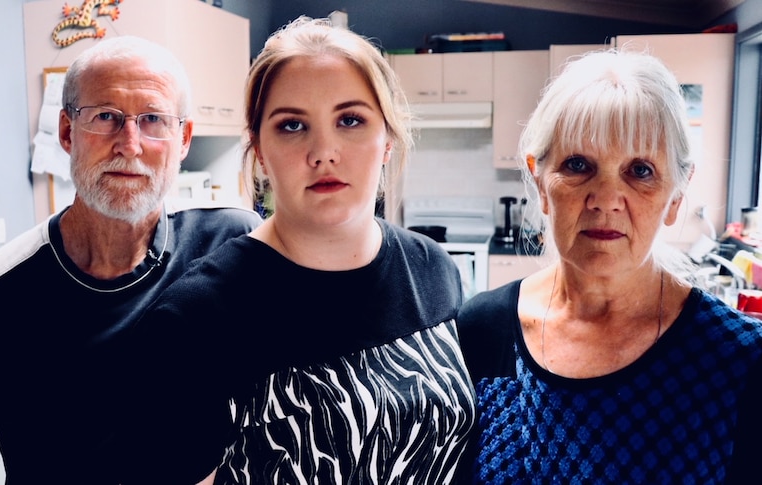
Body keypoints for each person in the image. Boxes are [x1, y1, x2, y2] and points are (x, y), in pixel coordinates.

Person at [0, 35, 260, 484]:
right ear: (67, 132)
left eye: (153, 120)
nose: (130, 144)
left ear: (182, 139)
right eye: (106, 117)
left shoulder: (235, 244)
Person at [134, 16, 476, 484]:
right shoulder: (194, 320)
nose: (324, 151)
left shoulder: (433, 268)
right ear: (258, 147)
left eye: (351, 120)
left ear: (388, 141)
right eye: (293, 125)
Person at [456, 48, 762, 483]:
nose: (605, 199)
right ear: (541, 182)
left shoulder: (741, 360)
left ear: (675, 195)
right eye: (578, 165)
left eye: (640, 170)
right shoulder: (481, 330)